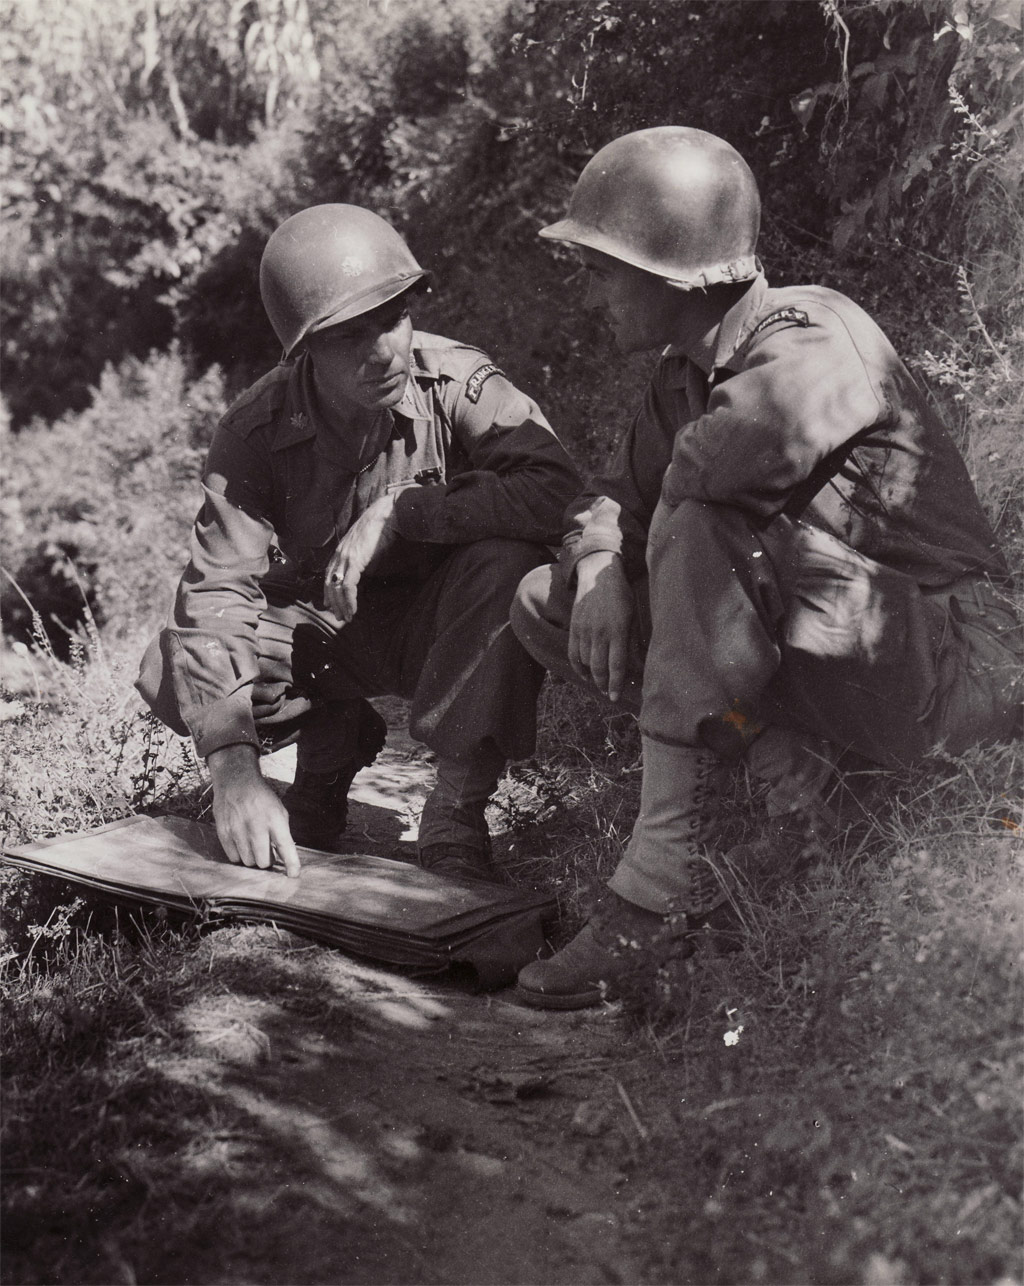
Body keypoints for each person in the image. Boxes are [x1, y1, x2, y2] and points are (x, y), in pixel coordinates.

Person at [511, 126, 1022, 1009]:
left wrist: (637, 533)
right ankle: (790, 766)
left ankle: (659, 887)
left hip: (959, 661)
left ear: (671, 269)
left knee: (698, 524)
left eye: (601, 267)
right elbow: (613, 503)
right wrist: (597, 565)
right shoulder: (683, 375)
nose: (590, 292)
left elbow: (697, 491)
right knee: (544, 601)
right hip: (851, 657)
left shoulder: (813, 332)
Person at [137, 204, 580, 883]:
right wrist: (233, 771)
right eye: (353, 337)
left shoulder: (454, 382)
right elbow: (215, 590)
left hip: (438, 628)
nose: (387, 351)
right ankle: (331, 742)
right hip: (322, 634)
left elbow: (557, 489)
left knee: (512, 565)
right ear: (306, 349)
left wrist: (408, 510)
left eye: (395, 319)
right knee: (174, 663)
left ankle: (458, 808)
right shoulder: (255, 430)